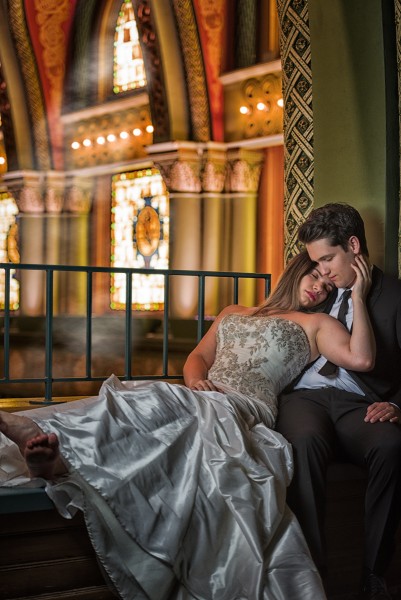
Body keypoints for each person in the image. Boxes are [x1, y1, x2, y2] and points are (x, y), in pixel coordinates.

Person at [0, 252, 373, 600]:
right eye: (314, 275)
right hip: (202, 392)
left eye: (327, 287)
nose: (318, 288)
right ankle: (55, 458)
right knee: (140, 403)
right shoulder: (234, 311)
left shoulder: (318, 324)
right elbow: (198, 356)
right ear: (295, 271)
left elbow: (361, 358)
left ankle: (56, 452)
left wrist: (358, 294)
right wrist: (196, 381)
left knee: (161, 405)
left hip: (243, 405)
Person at [276, 203, 401, 600]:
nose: (323, 272)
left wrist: (400, 406)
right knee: (304, 442)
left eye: (328, 259)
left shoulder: (396, 296)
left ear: (353, 245)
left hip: (359, 402)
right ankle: (313, 570)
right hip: (306, 396)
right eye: (317, 262)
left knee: (391, 446)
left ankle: (373, 574)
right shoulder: (316, 290)